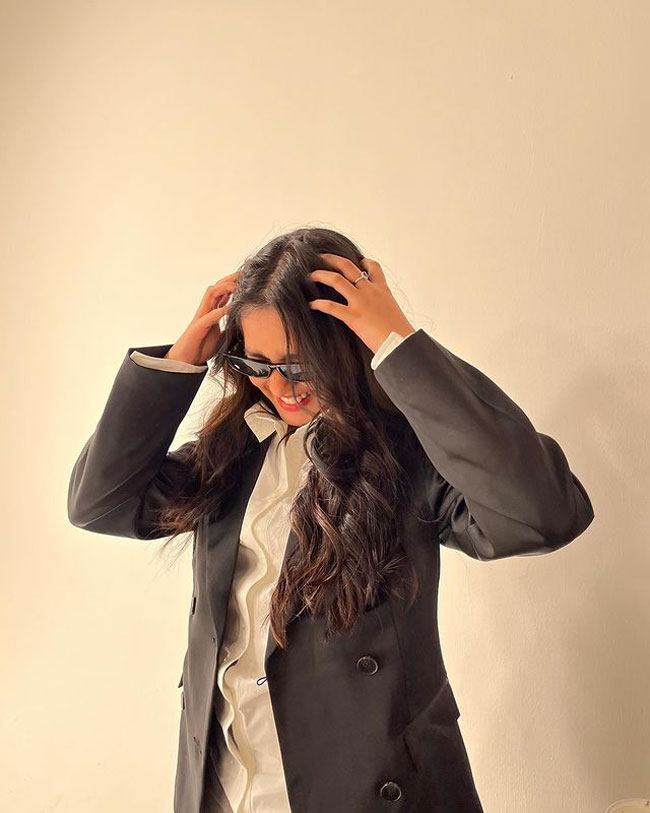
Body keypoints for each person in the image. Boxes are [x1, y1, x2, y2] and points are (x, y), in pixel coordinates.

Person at [68, 227, 595, 813]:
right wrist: (176, 366)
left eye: (300, 364)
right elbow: (100, 504)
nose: (280, 386)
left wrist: (400, 343)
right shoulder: (232, 452)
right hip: (226, 788)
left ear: (349, 344)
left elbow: (544, 516)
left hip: (372, 790)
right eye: (256, 363)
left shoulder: (409, 454)